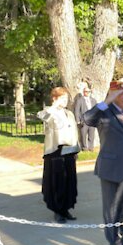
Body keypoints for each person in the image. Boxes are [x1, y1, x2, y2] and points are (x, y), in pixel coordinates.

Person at [83, 79, 123, 245]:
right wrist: (107, 101)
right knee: (112, 209)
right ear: (112, 95)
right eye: (120, 93)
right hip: (112, 169)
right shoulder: (104, 112)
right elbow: (87, 119)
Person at [37, 87, 79, 224]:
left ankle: (66, 208)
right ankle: (58, 210)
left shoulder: (69, 113)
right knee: (58, 181)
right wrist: (54, 105)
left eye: (66, 98)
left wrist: (76, 149)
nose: (65, 101)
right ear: (55, 98)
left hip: (69, 150)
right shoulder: (51, 112)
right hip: (56, 151)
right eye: (62, 98)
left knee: (69, 181)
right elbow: (41, 116)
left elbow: (73, 132)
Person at [74, 84, 97, 151]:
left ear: (90, 92)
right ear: (83, 92)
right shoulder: (80, 100)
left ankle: (91, 148)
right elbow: (77, 111)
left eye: (88, 91)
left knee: (91, 135)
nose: (87, 93)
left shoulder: (93, 100)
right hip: (83, 121)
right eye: (86, 91)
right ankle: (84, 148)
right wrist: (77, 120)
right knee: (83, 135)